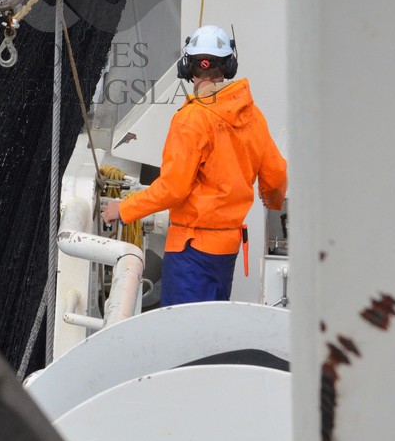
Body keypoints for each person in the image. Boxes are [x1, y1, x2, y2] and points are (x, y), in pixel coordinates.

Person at [101, 25, 287, 305]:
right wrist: (271, 202)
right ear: (229, 64)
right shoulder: (252, 114)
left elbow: (173, 189)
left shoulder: (191, 119)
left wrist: (124, 209)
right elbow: (276, 173)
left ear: (188, 67)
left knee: (182, 335)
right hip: (227, 249)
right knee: (210, 330)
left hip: (191, 251)